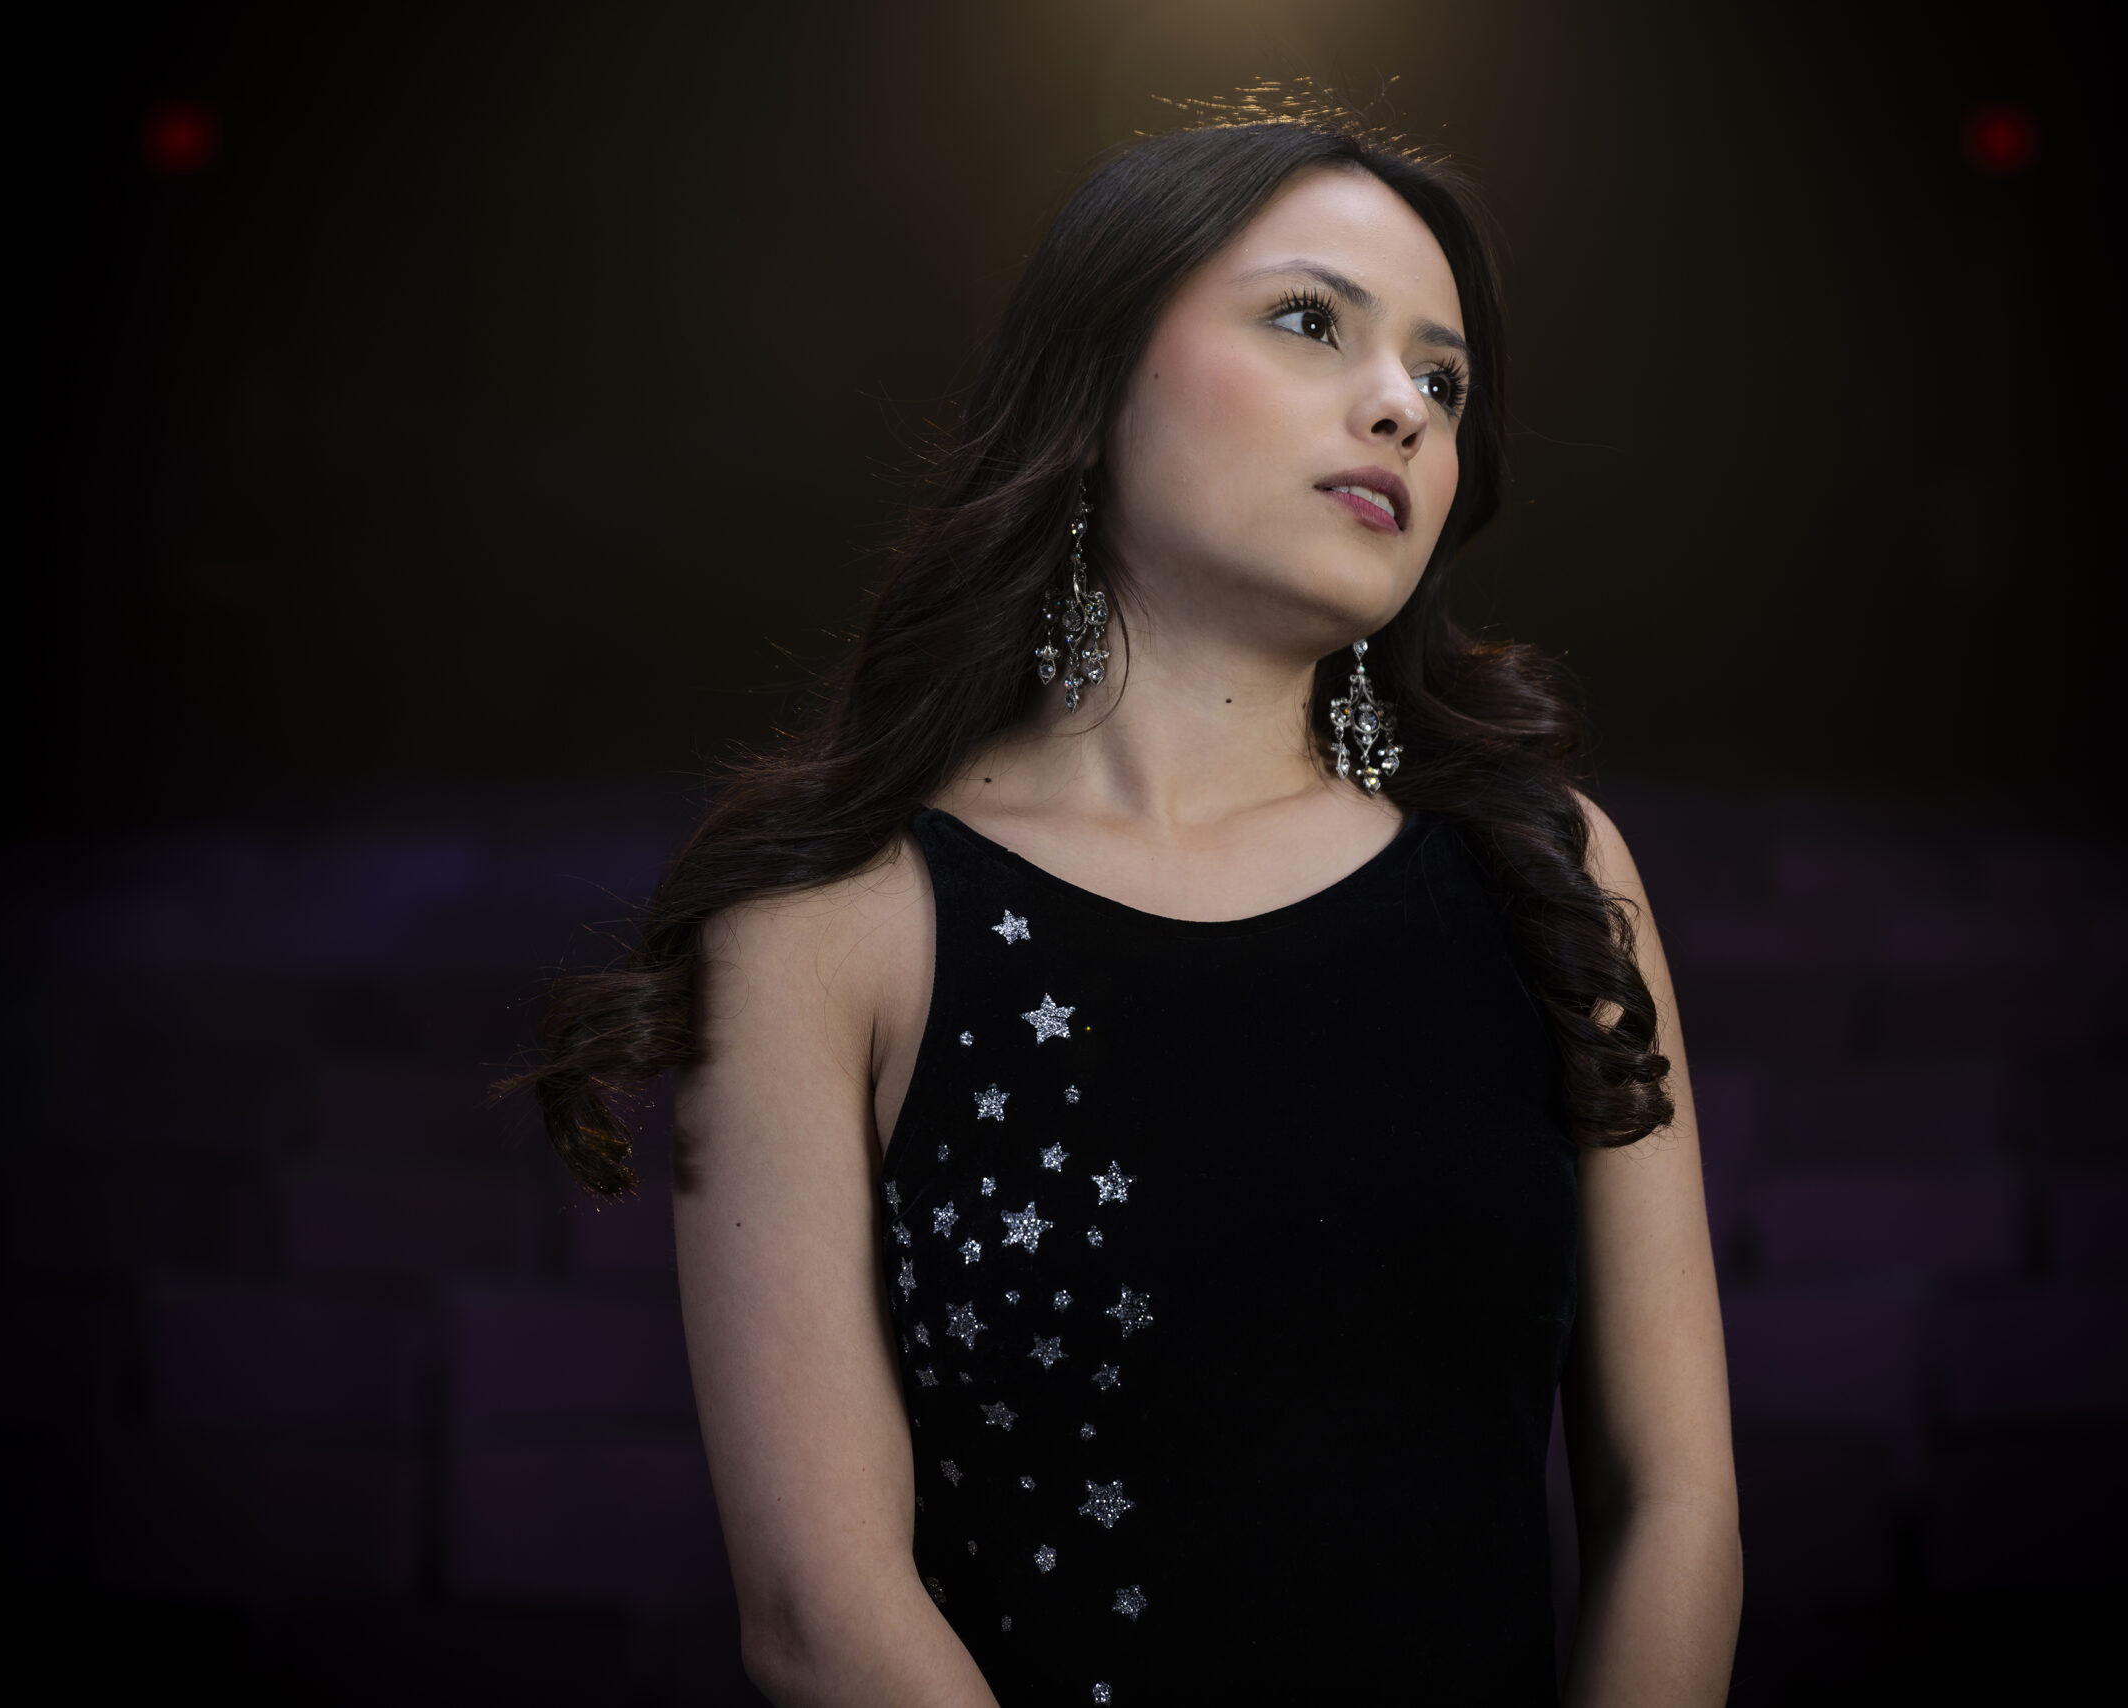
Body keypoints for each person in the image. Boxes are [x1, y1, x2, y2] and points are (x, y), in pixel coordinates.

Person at [507, 104, 1740, 1707]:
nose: (1401, 407)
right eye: (1312, 322)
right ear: (1093, 383)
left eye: (1443, 385)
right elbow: (820, 1611)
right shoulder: (831, 924)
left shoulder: (1547, 874)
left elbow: (1675, 1506)